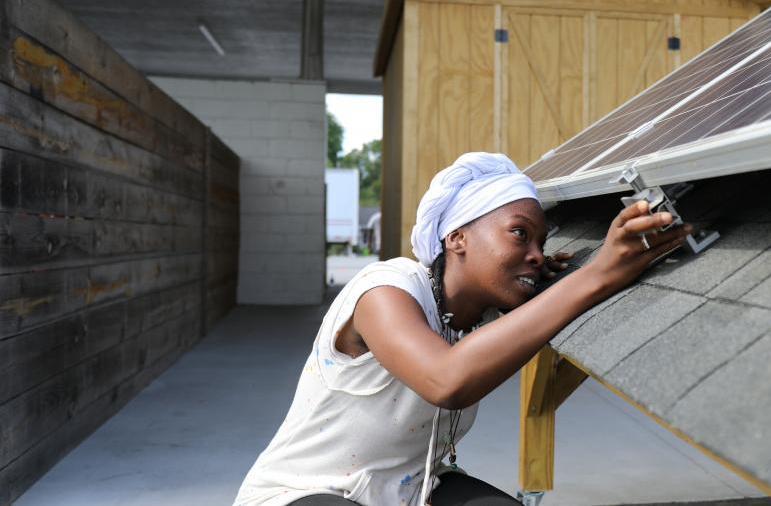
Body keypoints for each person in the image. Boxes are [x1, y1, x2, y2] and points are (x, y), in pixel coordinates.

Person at [234, 152, 692, 506]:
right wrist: (598, 274)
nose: (536, 253)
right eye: (519, 234)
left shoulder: (486, 314)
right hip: (302, 493)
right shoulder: (384, 290)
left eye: (541, 243)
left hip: (412, 490)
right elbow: (446, 380)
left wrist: (552, 276)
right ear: (457, 237)